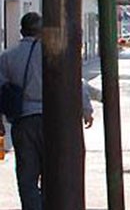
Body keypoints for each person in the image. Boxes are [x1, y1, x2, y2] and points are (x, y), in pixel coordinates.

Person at [0, 12, 93, 210]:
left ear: (21, 31)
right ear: (41, 31)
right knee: (54, 173)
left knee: (27, 177)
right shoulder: (55, 53)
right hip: (54, 121)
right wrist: (86, 109)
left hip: (22, 121)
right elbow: (76, 81)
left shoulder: (8, 57)